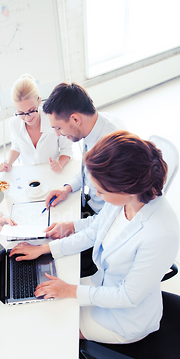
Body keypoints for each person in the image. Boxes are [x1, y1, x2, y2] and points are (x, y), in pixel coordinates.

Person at [9, 131, 180, 344]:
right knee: (49, 300)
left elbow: (126, 296)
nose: (98, 195)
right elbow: (94, 230)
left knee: (55, 326)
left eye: (101, 191)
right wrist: (45, 249)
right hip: (103, 286)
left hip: (124, 319)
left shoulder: (161, 234)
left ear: (126, 188)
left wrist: (70, 290)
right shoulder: (127, 199)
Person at [41, 82, 128, 277]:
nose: (58, 134)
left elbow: (110, 219)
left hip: (104, 223)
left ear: (75, 119)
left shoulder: (109, 151)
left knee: (56, 265)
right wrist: (67, 188)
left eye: (58, 127)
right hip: (93, 211)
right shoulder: (94, 126)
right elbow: (87, 170)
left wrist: (73, 227)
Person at [0, 74, 73, 173]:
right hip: (30, 174)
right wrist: (8, 163)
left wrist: (60, 164)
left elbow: (66, 149)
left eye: (31, 110)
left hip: (52, 172)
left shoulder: (54, 119)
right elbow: (16, 146)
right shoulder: (14, 123)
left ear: (39, 101)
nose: (27, 117)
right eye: (21, 113)